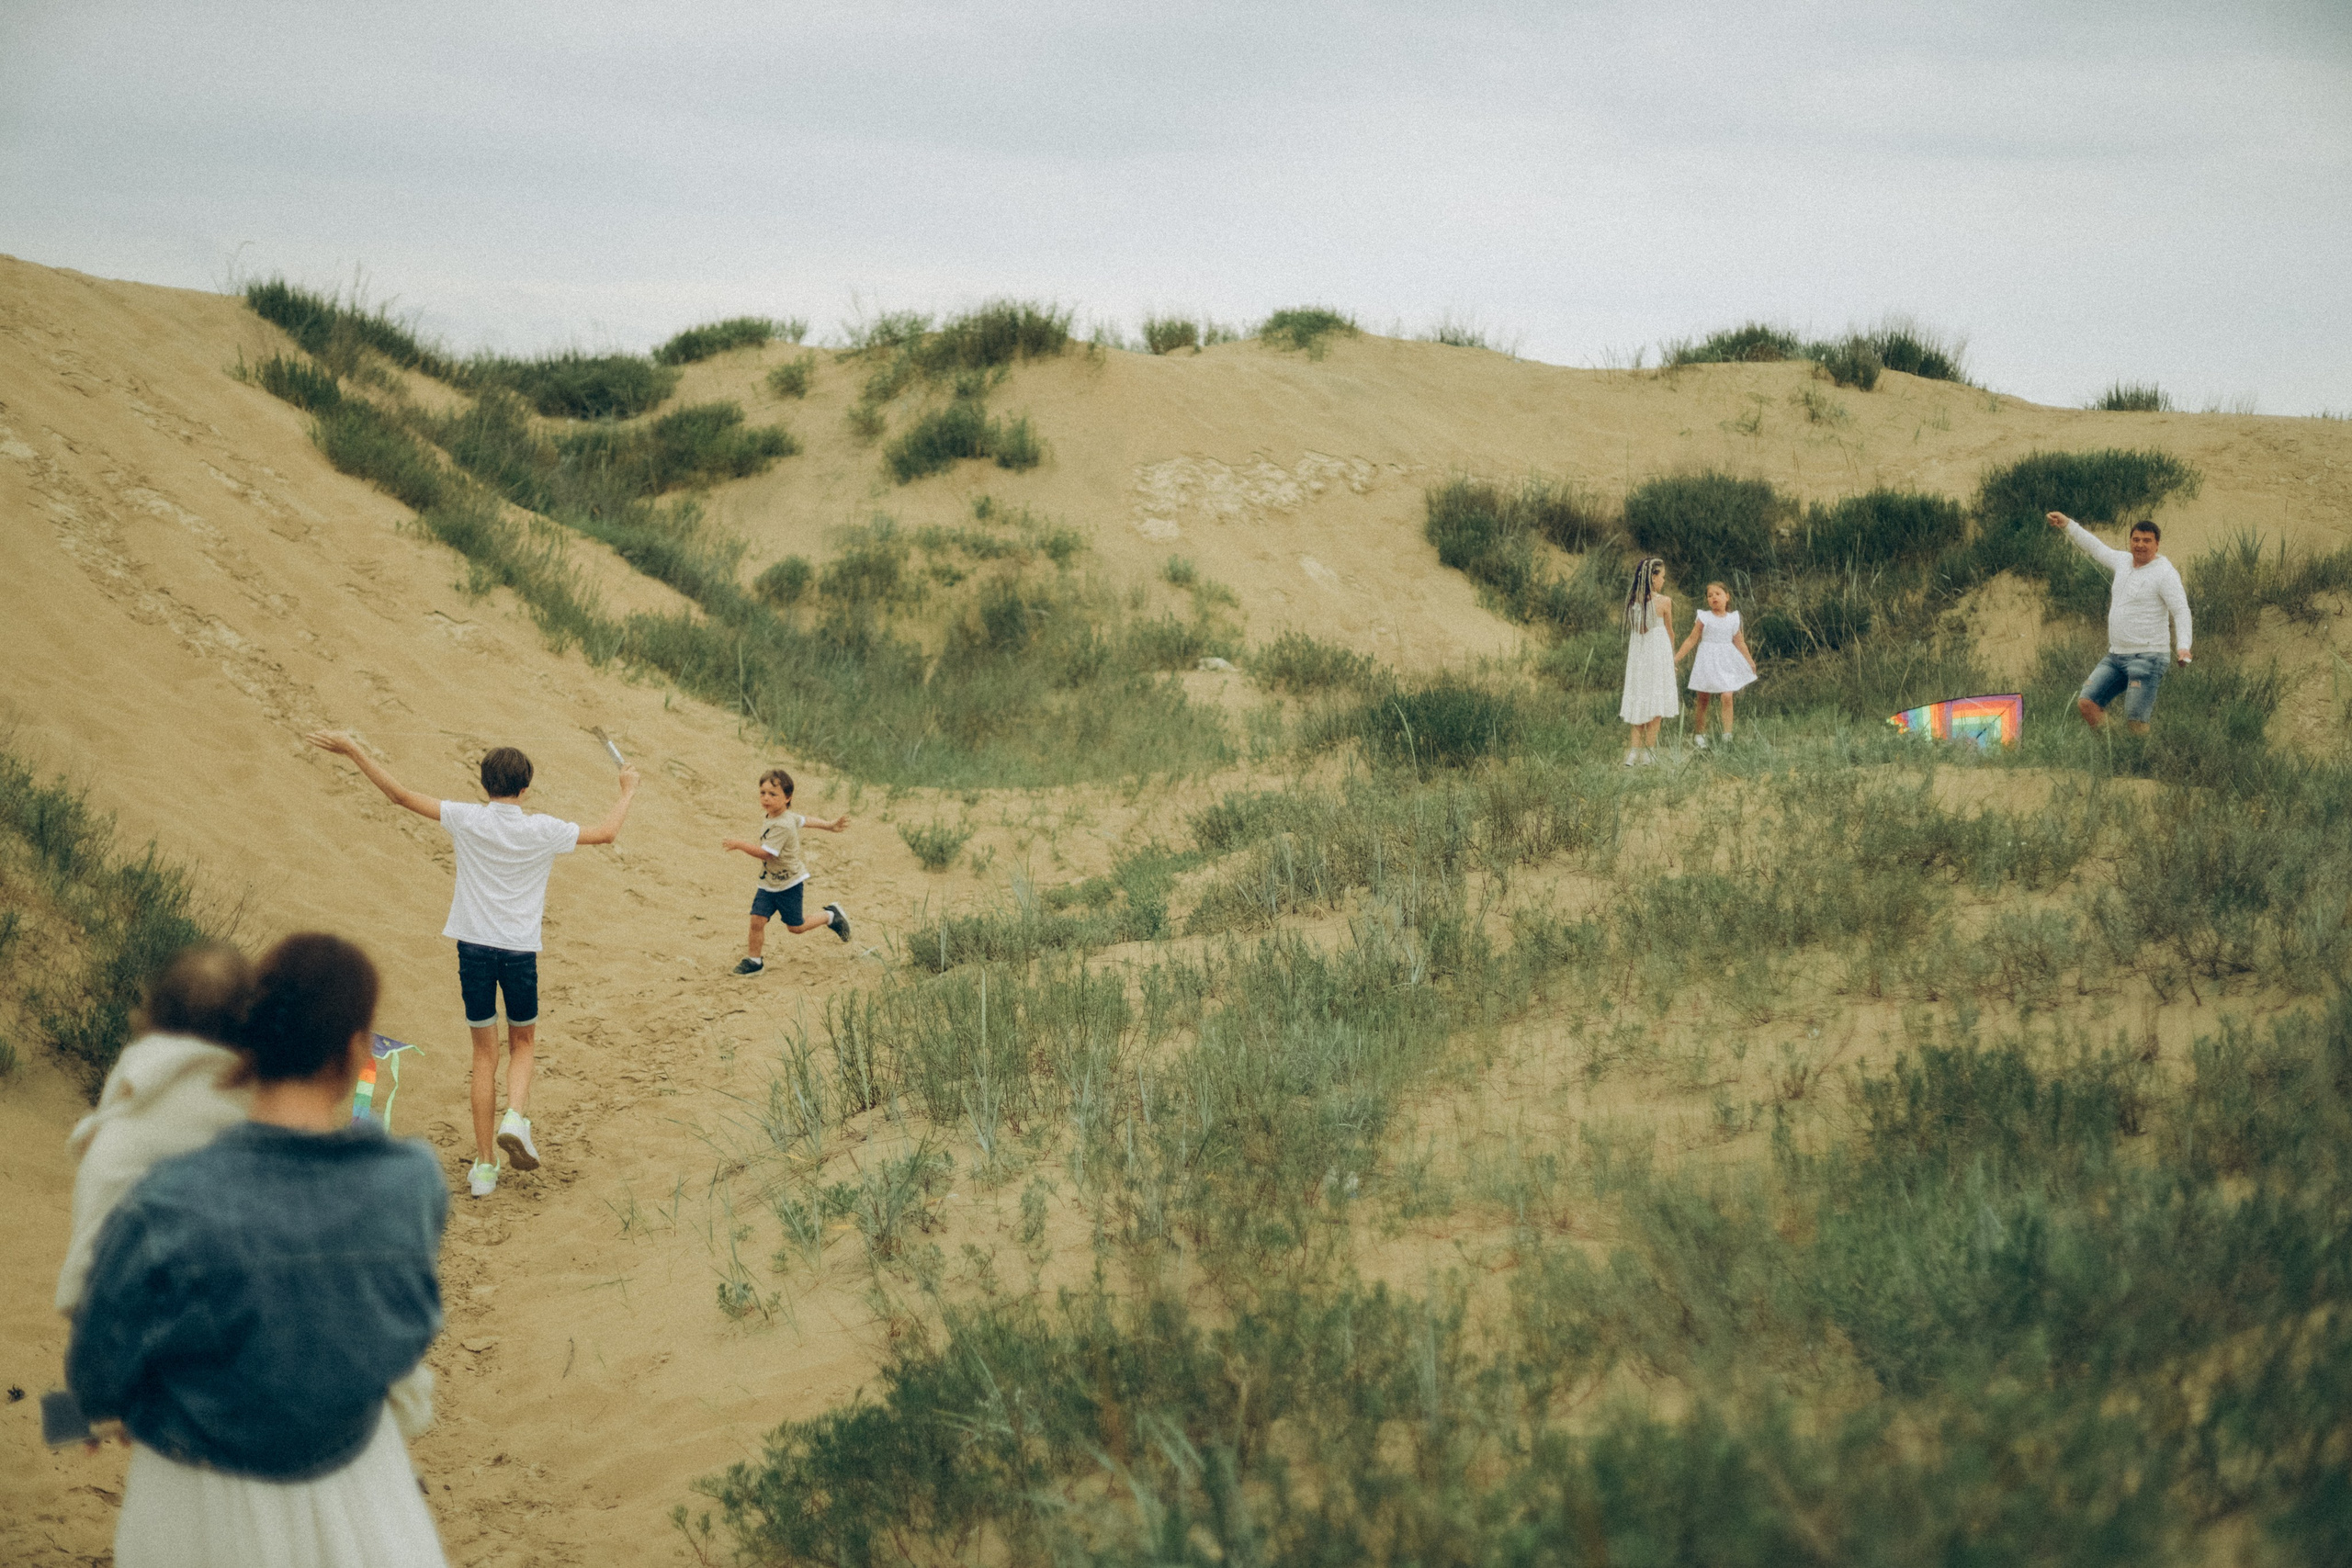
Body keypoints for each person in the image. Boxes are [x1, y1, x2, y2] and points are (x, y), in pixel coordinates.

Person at [67, 933, 450, 1568]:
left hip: (192, 1500)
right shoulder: (409, 1179)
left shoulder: (162, 1201)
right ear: (356, 1051)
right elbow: (406, 1329)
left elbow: (95, 1374)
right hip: (354, 1481)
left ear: (249, 1046)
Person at [307, 731, 639, 1198]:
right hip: (520, 950)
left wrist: (355, 749)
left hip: (474, 951)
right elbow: (606, 833)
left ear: (484, 785)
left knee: (484, 1054)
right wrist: (627, 791)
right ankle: (516, 1117)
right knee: (523, 1042)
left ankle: (484, 1167)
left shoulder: (466, 818)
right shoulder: (541, 828)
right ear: (525, 788)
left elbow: (399, 795)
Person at [2045, 512, 2193, 733]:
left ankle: (2140, 764)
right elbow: (2095, 547)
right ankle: (2119, 749)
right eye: (2136, 540)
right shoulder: (2123, 561)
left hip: (2148, 658)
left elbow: (2181, 610)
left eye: (2146, 541)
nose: (2140, 545)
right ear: (2130, 541)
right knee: (2087, 704)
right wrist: (2067, 524)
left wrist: (2184, 647)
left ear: (2157, 544)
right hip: (2116, 656)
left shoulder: (2165, 573)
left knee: (2136, 721)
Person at [722, 767, 851, 975]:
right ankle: (754, 961)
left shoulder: (782, 825)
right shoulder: (781, 815)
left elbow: (766, 854)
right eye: (762, 793)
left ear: (787, 797)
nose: (766, 798)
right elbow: (805, 820)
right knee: (757, 920)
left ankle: (830, 916)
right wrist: (828, 825)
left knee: (796, 927)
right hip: (768, 882)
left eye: (773, 794)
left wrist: (739, 844)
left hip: (788, 884)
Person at [1675, 581, 1758, 750]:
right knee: (1703, 698)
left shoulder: (1733, 618)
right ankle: (1700, 734)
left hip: (1726, 659)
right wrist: (1676, 659)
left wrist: (1750, 661)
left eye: (1718, 594)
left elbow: (1740, 642)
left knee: (1727, 695)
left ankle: (1727, 736)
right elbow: (1692, 639)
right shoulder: (1704, 617)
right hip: (1707, 659)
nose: (1714, 598)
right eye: (1710, 595)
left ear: (1727, 597)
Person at [1619, 557, 1679, 765]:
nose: (1663, 580)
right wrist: (1671, 659)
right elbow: (1670, 632)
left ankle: (1634, 751)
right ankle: (1649, 752)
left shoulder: (1633, 601)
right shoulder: (1664, 601)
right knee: (1656, 702)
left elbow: (1638, 630)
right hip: (1658, 654)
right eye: (1662, 576)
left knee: (1640, 697)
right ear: (1653, 577)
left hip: (1639, 656)